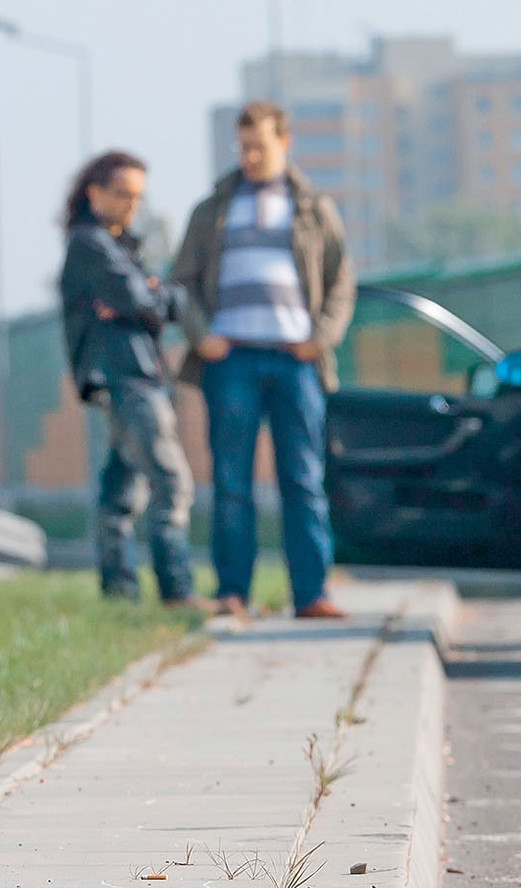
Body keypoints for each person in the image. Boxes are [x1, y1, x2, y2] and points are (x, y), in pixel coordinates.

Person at [170, 100, 356, 620]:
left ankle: (312, 593)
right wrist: (202, 336)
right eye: (243, 146)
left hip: (297, 361)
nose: (250, 156)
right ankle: (232, 591)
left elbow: (342, 280)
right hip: (231, 360)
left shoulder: (314, 208)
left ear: (284, 143)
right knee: (232, 480)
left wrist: (322, 337)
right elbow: (181, 282)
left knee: (302, 478)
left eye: (260, 146)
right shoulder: (213, 210)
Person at [58, 150, 202, 608]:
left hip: (137, 373)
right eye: (122, 194)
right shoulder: (89, 244)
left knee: (121, 491)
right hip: (125, 376)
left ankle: (119, 592)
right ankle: (177, 589)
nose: (131, 205)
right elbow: (142, 300)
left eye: (138, 196)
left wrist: (151, 298)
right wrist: (150, 298)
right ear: (94, 193)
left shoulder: (122, 247)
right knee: (170, 481)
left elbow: (163, 301)